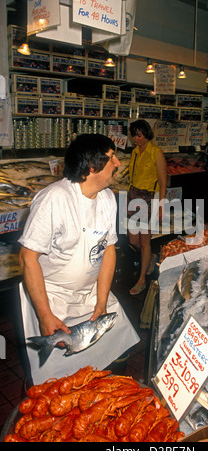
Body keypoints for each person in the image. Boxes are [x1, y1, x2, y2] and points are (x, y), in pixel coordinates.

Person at [18, 134, 140, 385]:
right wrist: (44, 315)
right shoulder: (54, 199)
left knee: (120, 345)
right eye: (112, 157)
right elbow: (27, 258)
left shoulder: (107, 199)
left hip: (92, 293)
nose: (118, 162)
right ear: (92, 167)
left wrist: (102, 300)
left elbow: (108, 250)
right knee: (56, 379)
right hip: (53, 299)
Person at [127, 120, 167, 295]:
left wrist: (160, 206)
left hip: (149, 198)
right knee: (132, 241)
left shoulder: (156, 153)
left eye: (139, 135)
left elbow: (164, 183)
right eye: (134, 135)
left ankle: (141, 280)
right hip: (133, 197)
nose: (136, 138)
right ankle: (152, 258)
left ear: (146, 134)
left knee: (145, 241)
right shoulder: (135, 152)